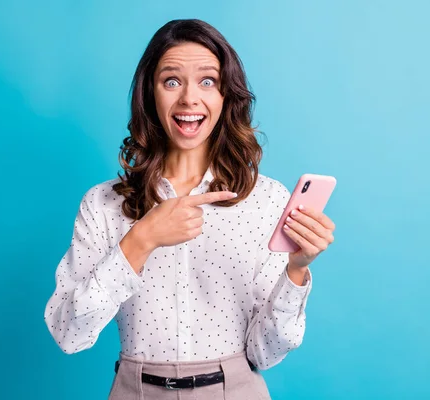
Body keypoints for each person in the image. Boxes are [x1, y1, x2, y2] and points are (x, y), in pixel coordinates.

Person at [44, 18, 336, 400]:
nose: (189, 100)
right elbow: (68, 333)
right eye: (171, 81)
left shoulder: (265, 200)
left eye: (208, 81)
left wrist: (296, 271)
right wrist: (140, 241)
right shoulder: (104, 204)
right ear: (150, 94)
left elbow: (265, 353)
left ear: (226, 96)